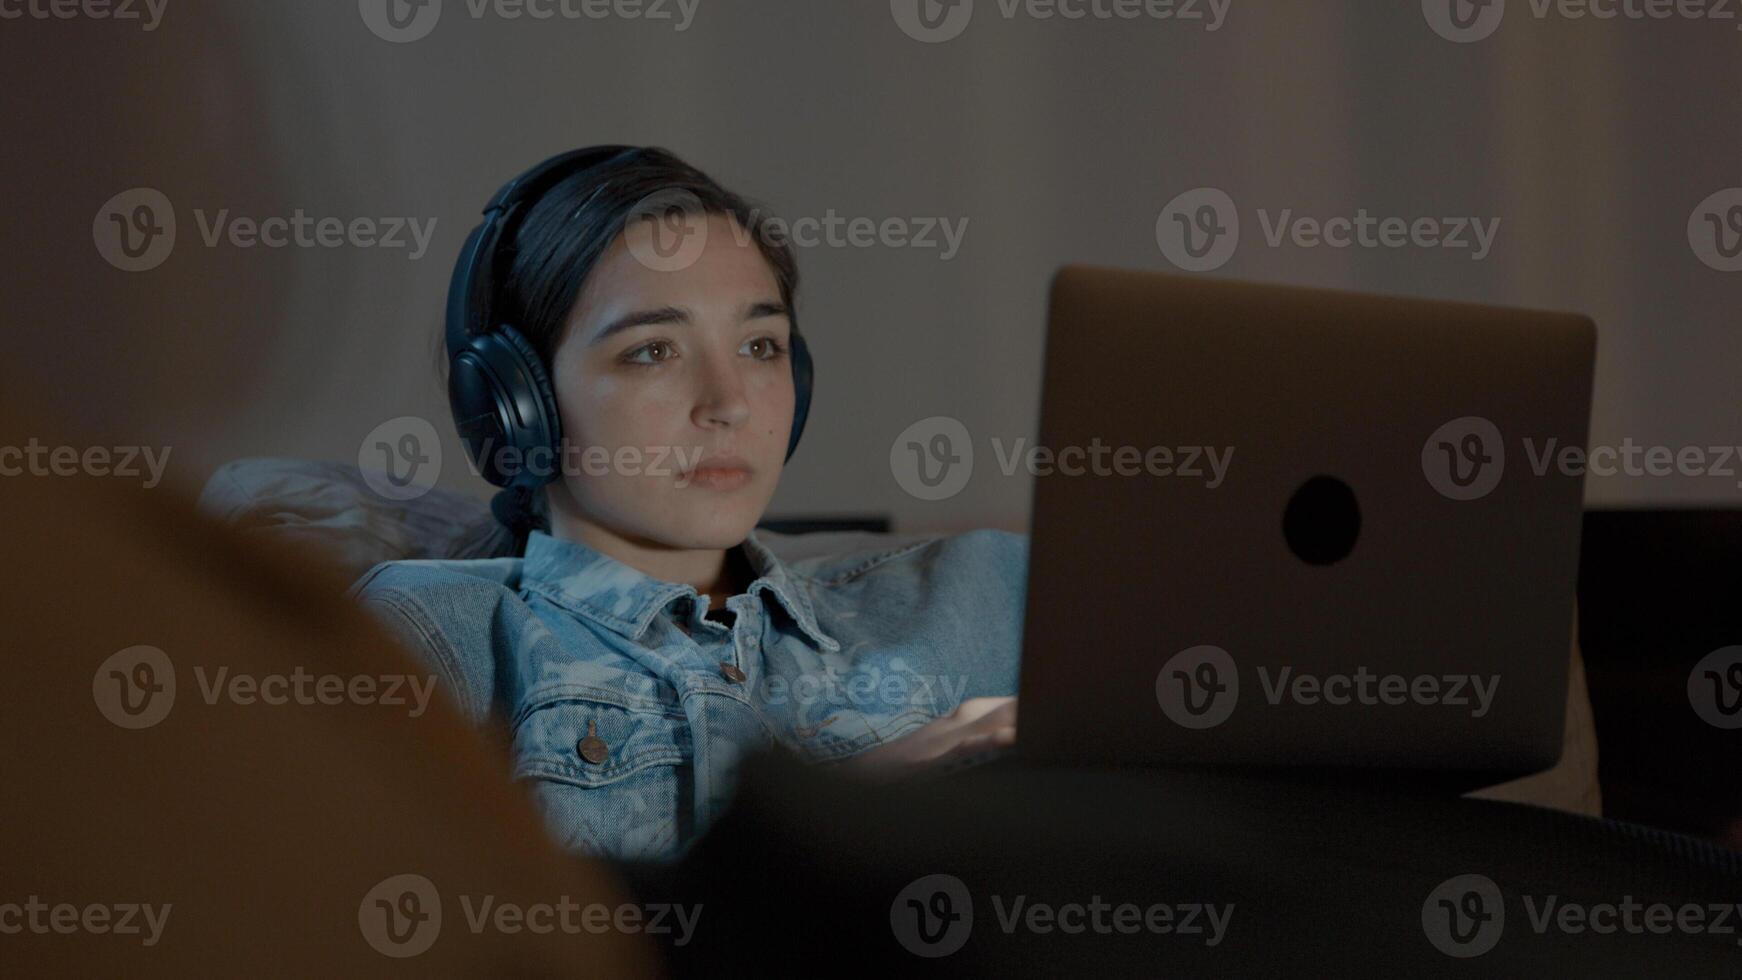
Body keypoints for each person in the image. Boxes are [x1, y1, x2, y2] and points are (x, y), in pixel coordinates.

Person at [351, 146, 1026, 861]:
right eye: (652, 351)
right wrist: (838, 815)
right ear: (519, 406)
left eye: (761, 345)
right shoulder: (434, 640)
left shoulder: (984, 591)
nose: (729, 402)